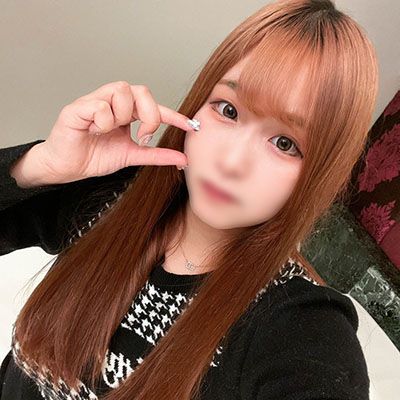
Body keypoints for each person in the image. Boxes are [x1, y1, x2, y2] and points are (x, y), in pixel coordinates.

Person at [0, 0, 379, 399]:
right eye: (227, 110)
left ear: (319, 174)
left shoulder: (298, 328)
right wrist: (42, 166)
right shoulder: (114, 196)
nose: (231, 162)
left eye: (285, 143)